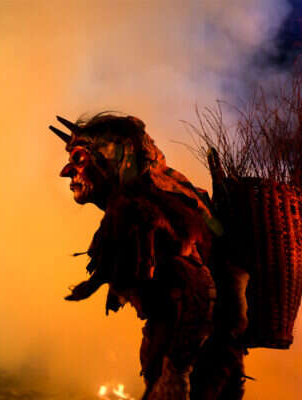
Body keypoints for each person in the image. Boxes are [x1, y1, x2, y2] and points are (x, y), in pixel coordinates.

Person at [50, 113, 248, 400]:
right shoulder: (130, 216)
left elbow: (198, 286)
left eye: (79, 159)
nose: (67, 171)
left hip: (194, 350)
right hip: (180, 344)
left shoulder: (151, 215)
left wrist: (176, 371)